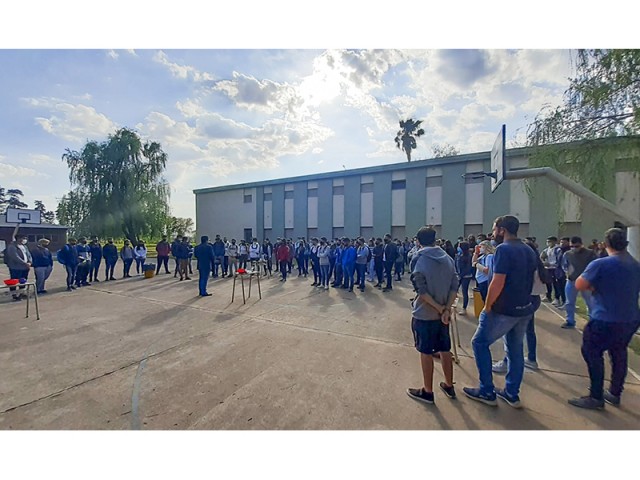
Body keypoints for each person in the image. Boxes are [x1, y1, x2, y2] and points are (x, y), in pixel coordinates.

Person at [463, 215, 538, 408]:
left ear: (502, 230)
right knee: (515, 349)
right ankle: (512, 393)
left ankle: (486, 390)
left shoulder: (504, 249)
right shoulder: (528, 249)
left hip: (504, 308)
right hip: (524, 308)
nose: (492, 232)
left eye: (494, 228)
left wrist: (487, 306)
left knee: (479, 343)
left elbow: (497, 281)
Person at [568, 228, 640, 410]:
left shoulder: (601, 264)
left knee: (592, 352)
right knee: (619, 353)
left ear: (605, 244)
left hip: (605, 317)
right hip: (630, 317)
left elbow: (579, 283)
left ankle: (596, 396)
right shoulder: (635, 264)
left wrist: (595, 287)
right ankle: (615, 392)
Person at [406, 226, 459, 404]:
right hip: (443, 314)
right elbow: (454, 285)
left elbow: (421, 291)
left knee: (426, 352)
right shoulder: (448, 258)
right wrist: (446, 309)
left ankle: (428, 391)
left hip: (425, 314)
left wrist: (437, 308)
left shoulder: (418, 259)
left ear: (418, 241)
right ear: (435, 240)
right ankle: (449, 385)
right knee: (445, 349)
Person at [561, 236, 597, 329]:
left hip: (586, 281)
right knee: (569, 302)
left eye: (576, 246)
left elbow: (595, 266)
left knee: (590, 302)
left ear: (581, 244)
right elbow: (564, 265)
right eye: (572, 246)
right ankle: (570, 321)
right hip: (572, 280)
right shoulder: (567, 254)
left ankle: (592, 322)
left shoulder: (590, 253)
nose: (574, 248)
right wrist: (568, 273)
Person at [5, 233, 32, 300]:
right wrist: (24, 263)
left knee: (23, 281)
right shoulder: (12, 246)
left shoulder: (24, 246)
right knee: (14, 281)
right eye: (23, 238)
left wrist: (30, 262)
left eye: (25, 238)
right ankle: (14, 295)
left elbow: (29, 255)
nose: (24, 240)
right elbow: (15, 256)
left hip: (25, 267)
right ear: (18, 239)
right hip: (16, 267)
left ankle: (21, 293)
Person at [540, 236, 564, 307]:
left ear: (554, 242)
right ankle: (548, 296)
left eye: (550, 241)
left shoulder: (558, 250)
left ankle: (557, 298)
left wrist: (551, 264)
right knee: (548, 283)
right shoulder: (547, 249)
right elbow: (542, 256)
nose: (548, 243)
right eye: (547, 242)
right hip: (548, 268)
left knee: (556, 284)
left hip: (555, 268)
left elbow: (559, 260)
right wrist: (543, 260)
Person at [455, 241, 473, 314]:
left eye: (459, 246)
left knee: (464, 291)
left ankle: (464, 308)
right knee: (454, 289)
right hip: (459, 275)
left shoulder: (468, 256)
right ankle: (453, 304)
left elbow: (467, 268)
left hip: (466, 276)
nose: (458, 247)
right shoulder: (459, 255)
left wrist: (460, 275)